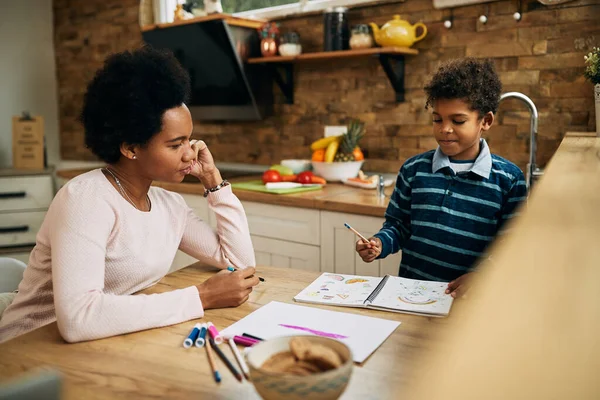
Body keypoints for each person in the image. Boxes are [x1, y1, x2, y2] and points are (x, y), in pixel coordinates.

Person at [0, 47, 258, 343]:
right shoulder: (86, 200)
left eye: (190, 139)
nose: (191, 153)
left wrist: (214, 181)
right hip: (29, 347)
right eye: (175, 145)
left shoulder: (168, 205)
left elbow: (238, 263)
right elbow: (78, 319)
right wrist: (201, 297)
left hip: (103, 343)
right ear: (130, 148)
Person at [356, 57, 527, 298]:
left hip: (471, 303)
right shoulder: (413, 169)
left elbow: (513, 246)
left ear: (485, 121)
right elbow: (398, 226)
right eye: (437, 119)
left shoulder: (509, 179)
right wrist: (380, 244)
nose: (444, 128)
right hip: (411, 296)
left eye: (458, 121)